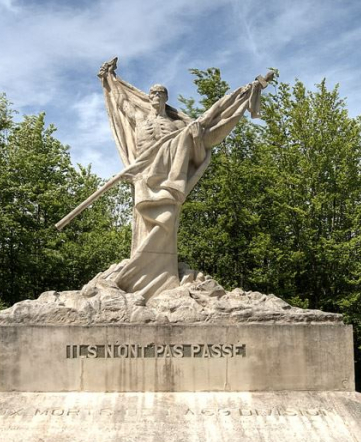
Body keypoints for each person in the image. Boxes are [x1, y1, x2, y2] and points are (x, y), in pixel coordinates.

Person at [94, 58, 275, 299]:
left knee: (167, 220)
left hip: (169, 181)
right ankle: (135, 278)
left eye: (160, 93)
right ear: (148, 98)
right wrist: (109, 80)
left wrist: (197, 137)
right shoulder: (139, 118)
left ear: (166, 98)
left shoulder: (178, 124)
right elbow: (120, 103)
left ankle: (154, 276)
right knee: (145, 225)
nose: (156, 95)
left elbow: (205, 136)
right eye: (152, 93)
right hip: (145, 178)